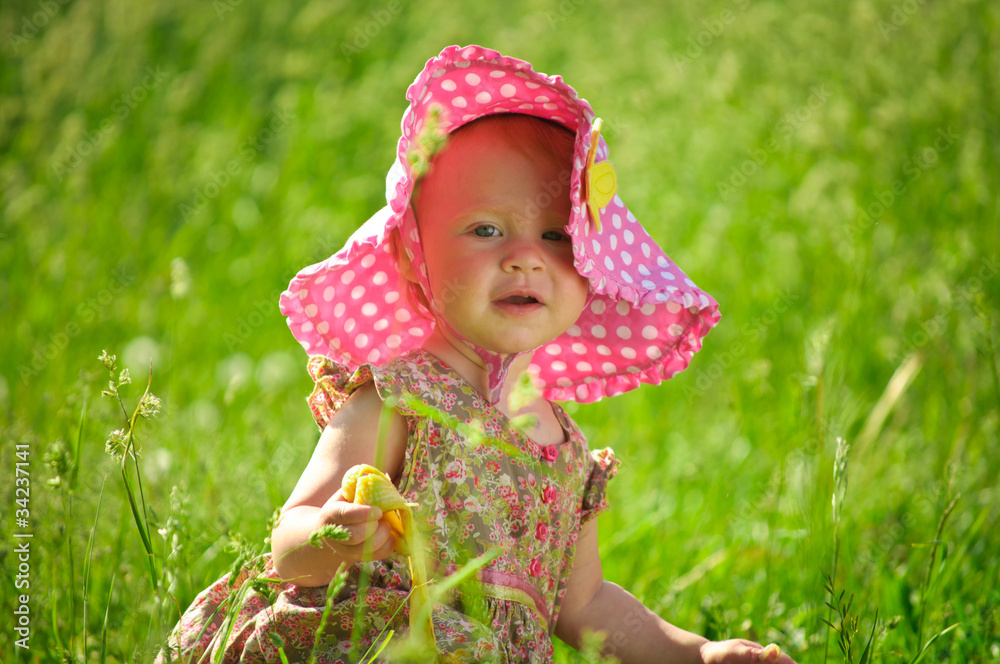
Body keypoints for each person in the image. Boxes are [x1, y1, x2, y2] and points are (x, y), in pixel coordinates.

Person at [157, 44, 796, 664]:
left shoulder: (565, 453)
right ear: (413, 255)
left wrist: (696, 652)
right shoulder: (401, 400)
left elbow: (586, 605)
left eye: (557, 235)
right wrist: (334, 534)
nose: (525, 258)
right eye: (486, 229)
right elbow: (288, 542)